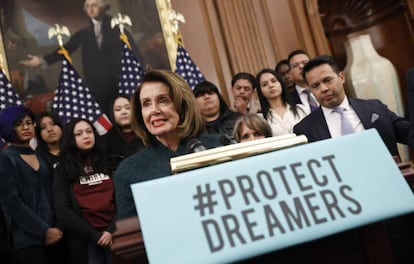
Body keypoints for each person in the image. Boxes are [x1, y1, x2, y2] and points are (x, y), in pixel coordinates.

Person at [114, 70, 223, 219]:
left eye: (163, 100)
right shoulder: (128, 171)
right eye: (146, 104)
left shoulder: (219, 146)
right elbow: (130, 232)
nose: (154, 111)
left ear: (182, 106)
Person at [19, 0, 144, 116]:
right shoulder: (84, 32)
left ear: (103, 7)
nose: (90, 9)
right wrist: (42, 60)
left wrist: (142, 73)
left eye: (94, 5)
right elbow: (67, 48)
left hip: (119, 83)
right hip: (97, 87)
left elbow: (134, 53)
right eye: (87, 6)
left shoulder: (117, 28)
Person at [293, 54, 413, 156]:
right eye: (315, 86)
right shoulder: (305, 129)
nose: (323, 89)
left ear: (341, 77)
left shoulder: (375, 108)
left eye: (327, 80)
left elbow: (409, 134)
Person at [0, 105, 63, 264]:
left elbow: (54, 195)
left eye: (29, 123)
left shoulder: (42, 156)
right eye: (18, 124)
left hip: (55, 236)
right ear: (8, 127)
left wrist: (57, 228)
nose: (25, 127)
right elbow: (12, 204)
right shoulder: (5, 158)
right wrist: (44, 231)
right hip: (26, 241)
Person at [53, 118, 116, 264]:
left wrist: (110, 230)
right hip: (86, 240)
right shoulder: (62, 169)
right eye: (79, 134)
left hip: (116, 234)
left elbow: (122, 199)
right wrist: (93, 235)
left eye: (89, 131)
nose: (86, 136)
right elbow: (62, 209)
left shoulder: (111, 161)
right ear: (71, 139)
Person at [256, 68, 307, 136]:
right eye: (265, 84)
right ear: (260, 91)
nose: (271, 85)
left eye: (274, 81)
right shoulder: (259, 119)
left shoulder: (301, 109)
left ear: (281, 83)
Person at [105, 94, 145, 166]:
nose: (124, 112)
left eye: (128, 108)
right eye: (118, 109)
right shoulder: (106, 141)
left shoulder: (147, 132)